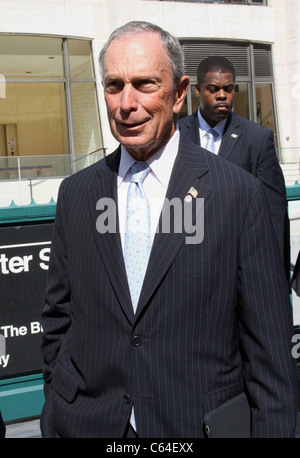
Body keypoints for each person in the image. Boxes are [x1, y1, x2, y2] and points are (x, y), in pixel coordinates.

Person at [40, 21, 298, 438]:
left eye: (144, 84)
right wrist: (61, 406)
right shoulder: (77, 194)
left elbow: (268, 351)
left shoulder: (238, 195)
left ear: (179, 94)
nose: (126, 103)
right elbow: (58, 319)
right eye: (113, 85)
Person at [178, 56, 290, 281]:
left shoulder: (257, 139)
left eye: (229, 89)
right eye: (213, 89)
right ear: (198, 90)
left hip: (237, 266)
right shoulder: (174, 134)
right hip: (185, 265)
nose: (222, 95)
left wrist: (276, 275)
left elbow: (274, 212)